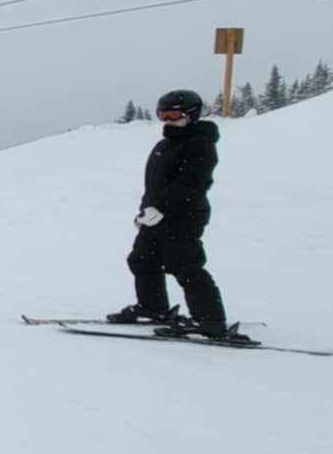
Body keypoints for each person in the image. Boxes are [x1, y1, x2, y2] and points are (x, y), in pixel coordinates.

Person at [108, 89, 254, 345]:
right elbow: (153, 184)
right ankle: (153, 308)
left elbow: (192, 183)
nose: (167, 120)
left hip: (184, 215)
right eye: (163, 114)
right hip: (156, 216)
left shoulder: (200, 144)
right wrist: (145, 211)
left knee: (184, 265)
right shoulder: (164, 145)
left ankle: (211, 322)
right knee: (142, 259)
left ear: (192, 115)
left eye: (174, 114)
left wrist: (161, 208)